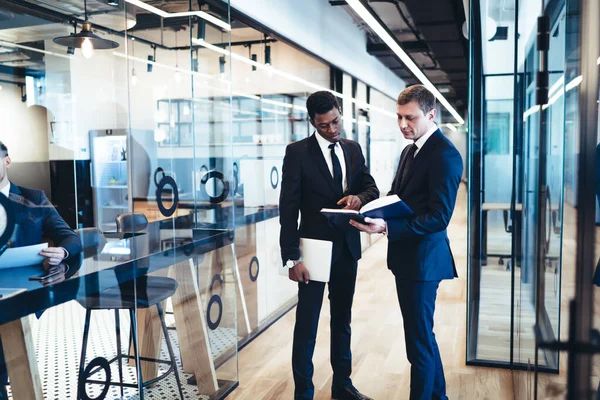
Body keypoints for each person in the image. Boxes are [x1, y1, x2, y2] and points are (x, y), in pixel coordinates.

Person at [350, 85, 463, 400]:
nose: (403, 124)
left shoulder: (444, 155)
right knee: (422, 337)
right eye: (399, 117)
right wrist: (371, 210)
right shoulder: (410, 150)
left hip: (423, 262)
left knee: (418, 343)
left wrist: (386, 225)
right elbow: (400, 196)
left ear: (430, 114)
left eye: (410, 118)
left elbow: (438, 218)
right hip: (408, 259)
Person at [279, 91, 379, 400]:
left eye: (336, 121)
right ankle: (304, 393)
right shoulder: (297, 153)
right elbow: (288, 208)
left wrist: (359, 198)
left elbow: (371, 187)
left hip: (347, 248)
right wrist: (291, 258)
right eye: (324, 126)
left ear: (340, 114)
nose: (332, 129)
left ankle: (342, 386)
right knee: (307, 325)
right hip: (313, 253)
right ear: (312, 122)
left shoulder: (352, 148)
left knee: (342, 320)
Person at [0, 140, 82, 398]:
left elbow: (71, 237)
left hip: (23, 287)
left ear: (7, 160)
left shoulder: (34, 198)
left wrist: (62, 251)